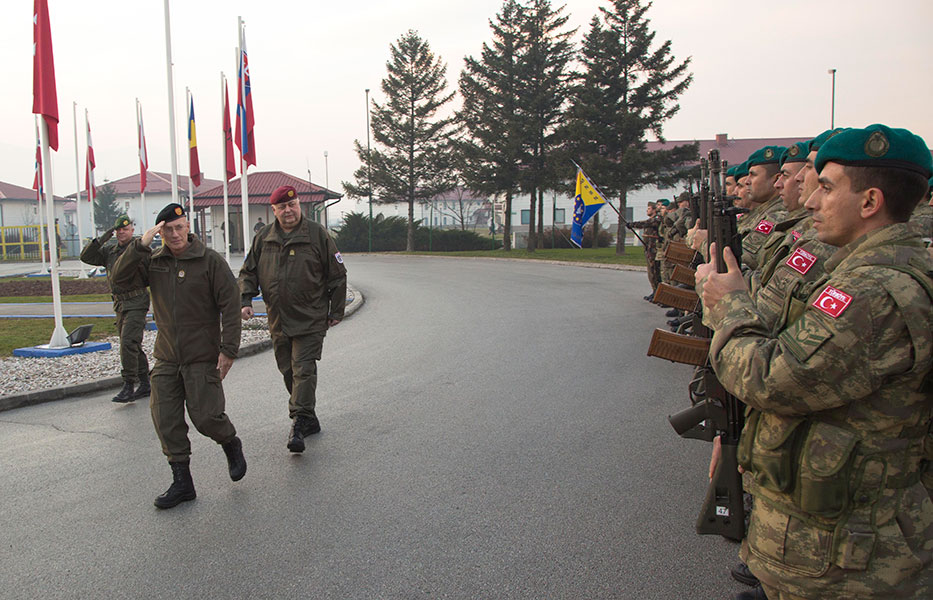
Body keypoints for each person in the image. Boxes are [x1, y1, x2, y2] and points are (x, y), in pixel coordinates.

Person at [696, 124, 933, 600]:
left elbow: (769, 377)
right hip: (840, 536)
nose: (809, 201)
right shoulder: (869, 273)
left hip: (849, 556)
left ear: (869, 202)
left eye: (826, 188)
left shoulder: (872, 291)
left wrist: (730, 304)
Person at [112, 203, 246, 509]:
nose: (174, 234)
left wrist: (228, 351)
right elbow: (118, 280)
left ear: (188, 227)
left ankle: (230, 442)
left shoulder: (209, 261)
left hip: (202, 356)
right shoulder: (153, 262)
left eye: (179, 227)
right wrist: (140, 244)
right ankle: (183, 482)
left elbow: (230, 306)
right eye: (167, 229)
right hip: (168, 357)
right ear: (160, 232)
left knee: (206, 417)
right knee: (165, 419)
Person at [238, 185, 348, 454]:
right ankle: (308, 416)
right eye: (282, 207)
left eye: (293, 205)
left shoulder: (316, 234)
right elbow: (248, 272)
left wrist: (335, 311)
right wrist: (245, 299)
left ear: (299, 205)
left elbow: (338, 274)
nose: (288, 210)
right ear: (273, 210)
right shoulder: (264, 237)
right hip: (278, 319)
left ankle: (298, 422)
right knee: (288, 370)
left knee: (302, 368)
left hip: (310, 317)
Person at [80, 214, 151, 403]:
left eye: (125, 229)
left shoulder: (140, 251)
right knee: (133, 344)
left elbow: (151, 274)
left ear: (132, 230)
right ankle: (145, 383)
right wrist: (104, 236)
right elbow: (86, 256)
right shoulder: (110, 251)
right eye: (118, 230)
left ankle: (128, 385)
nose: (121, 233)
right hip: (120, 304)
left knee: (128, 342)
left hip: (137, 301)